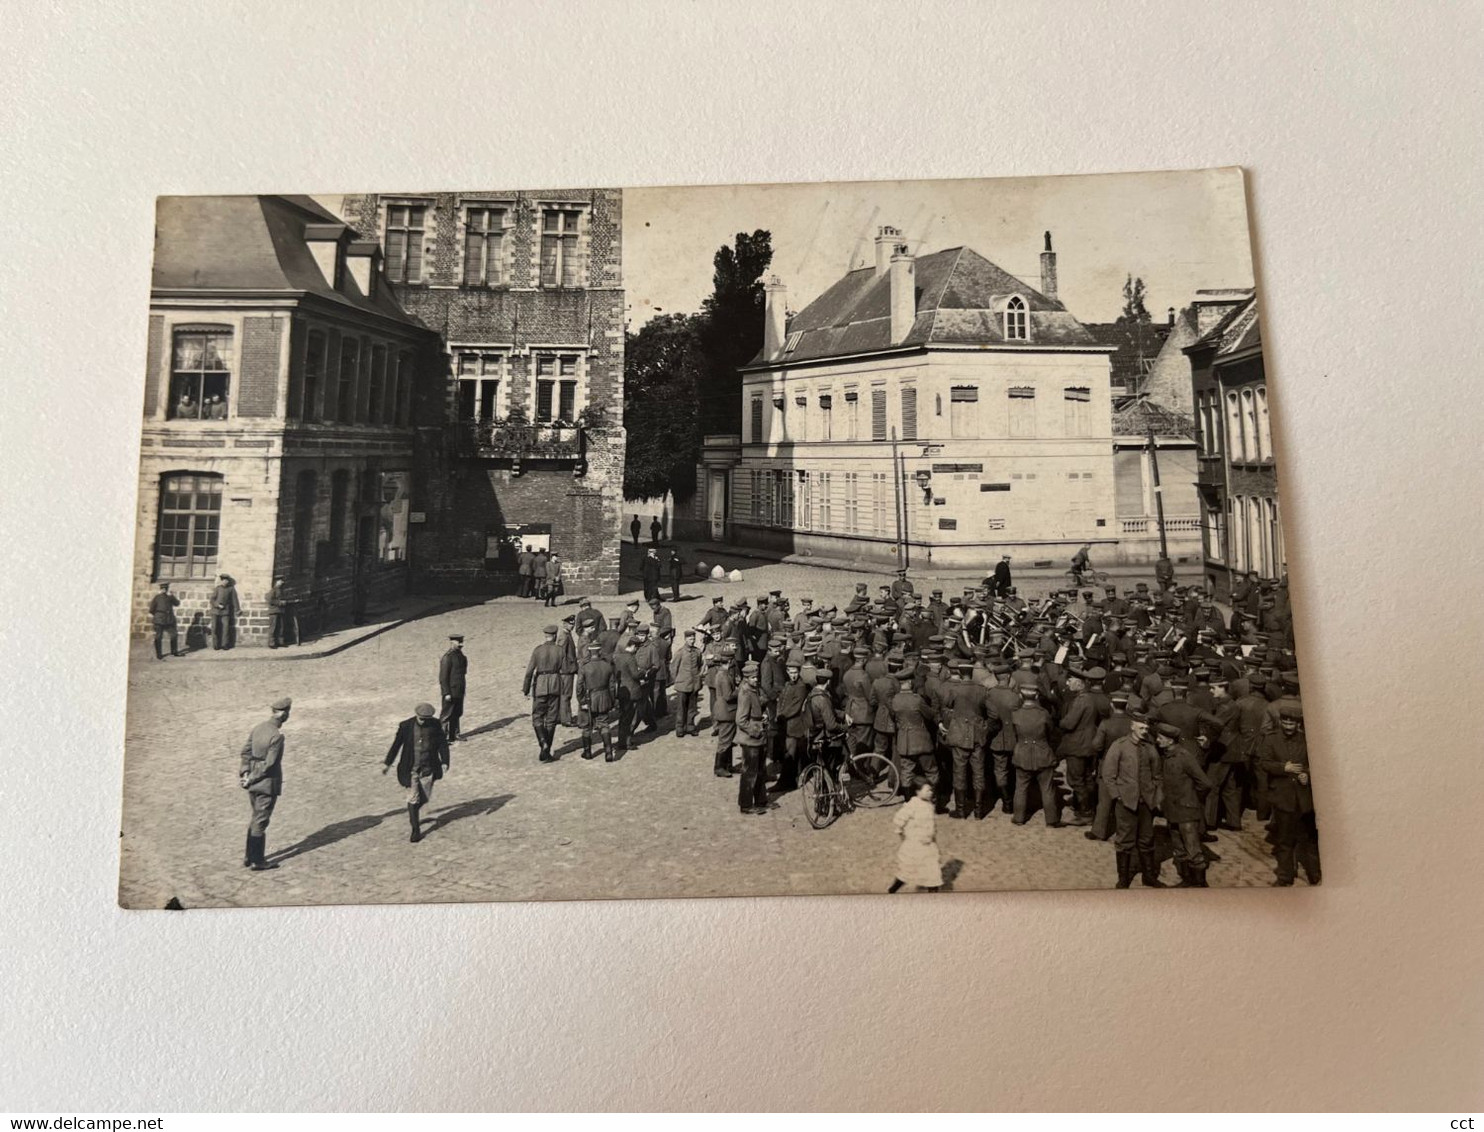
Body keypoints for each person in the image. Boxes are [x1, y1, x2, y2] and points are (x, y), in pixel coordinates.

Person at [1258, 704, 1320, 886]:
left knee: (1309, 840)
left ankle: (1314, 874)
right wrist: (1283, 768)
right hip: (1283, 798)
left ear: (1298, 724)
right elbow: (1264, 762)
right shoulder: (1271, 739)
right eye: (1285, 722)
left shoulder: (1306, 740)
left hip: (1304, 799)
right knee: (1285, 840)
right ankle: (1285, 876)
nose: (1287, 726)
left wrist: (1306, 775)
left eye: (1291, 723)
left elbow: (1315, 763)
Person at [1105, 713, 1164, 888]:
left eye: (1146, 728)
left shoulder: (1150, 748)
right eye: (1141, 727)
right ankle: (1123, 878)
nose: (1144, 731)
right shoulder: (1119, 746)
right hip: (1126, 802)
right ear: (1132, 726)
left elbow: (1158, 775)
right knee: (1124, 841)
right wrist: (1118, 796)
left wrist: (1157, 797)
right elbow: (1108, 775)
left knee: (1146, 840)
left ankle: (1149, 876)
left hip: (1146, 802)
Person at [382, 702, 450, 843]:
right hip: (410, 768)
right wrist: (388, 763)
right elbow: (396, 745)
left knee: (424, 797)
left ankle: (414, 812)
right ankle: (415, 829)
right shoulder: (406, 726)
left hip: (428, 767)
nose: (424, 721)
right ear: (416, 715)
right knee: (413, 798)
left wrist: (445, 761)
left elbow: (442, 744)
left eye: (426, 719)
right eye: (421, 719)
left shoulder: (435, 725)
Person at [1155, 722, 1213, 886]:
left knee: (1193, 851)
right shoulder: (1167, 755)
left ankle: (1200, 884)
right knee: (1179, 849)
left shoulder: (1184, 756)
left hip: (1186, 812)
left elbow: (1205, 783)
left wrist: (1192, 799)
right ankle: (1187, 880)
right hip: (1173, 811)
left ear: (1170, 740)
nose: (1157, 741)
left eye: (1160, 738)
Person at [238, 696, 291, 871]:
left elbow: (245, 752)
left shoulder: (258, 728)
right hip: (266, 784)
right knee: (261, 821)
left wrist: (245, 773)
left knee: (255, 818)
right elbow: (269, 764)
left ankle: (248, 856)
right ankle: (257, 861)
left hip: (251, 783)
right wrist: (252, 776)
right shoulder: (276, 736)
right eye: (287, 712)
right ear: (282, 714)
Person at [1010, 685, 1062, 827]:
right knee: (1047, 789)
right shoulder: (1044, 714)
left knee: (1020, 787)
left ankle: (1018, 817)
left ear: (1021, 696)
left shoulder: (1016, 714)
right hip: (1043, 752)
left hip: (1022, 753)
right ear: (1037, 696)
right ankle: (1051, 819)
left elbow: (1014, 734)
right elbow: (1051, 732)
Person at [888, 782, 943, 893]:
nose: (930, 793)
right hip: (914, 846)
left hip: (928, 846)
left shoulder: (929, 805)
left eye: (931, 790)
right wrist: (901, 833)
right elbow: (899, 819)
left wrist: (934, 841)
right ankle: (892, 890)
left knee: (933, 873)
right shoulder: (912, 805)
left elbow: (932, 827)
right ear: (918, 792)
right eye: (927, 790)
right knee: (907, 871)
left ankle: (934, 899)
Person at [523, 624, 565, 762]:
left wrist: (526, 689)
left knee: (537, 717)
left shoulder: (538, 650)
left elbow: (529, 671)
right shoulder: (560, 650)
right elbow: (564, 669)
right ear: (555, 636)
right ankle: (546, 750)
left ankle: (543, 743)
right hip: (555, 685)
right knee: (551, 719)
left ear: (546, 636)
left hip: (540, 685)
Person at [576, 642, 619, 761]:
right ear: (600, 652)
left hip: (589, 698)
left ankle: (587, 752)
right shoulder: (607, 666)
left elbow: (579, 686)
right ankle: (608, 752)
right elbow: (612, 686)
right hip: (604, 697)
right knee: (604, 724)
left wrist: (581, 700)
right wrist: (612, 700)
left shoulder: (584, 667)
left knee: (587, 726)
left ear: (589, 653)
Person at [736, 661, 769, 814]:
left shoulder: (754, 690)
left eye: (757, 677)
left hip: (759, 736)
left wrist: (763, 716)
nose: (756, 680)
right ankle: (746, 805)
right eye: (753, 678)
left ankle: (761, 801)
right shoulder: (745, 694)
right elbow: (741, 720)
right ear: (746, 678)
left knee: (760, 770)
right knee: (749, 773)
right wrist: (755, 730)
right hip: (751, 739)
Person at [670, 629, 705, 737]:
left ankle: (690, 726)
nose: (692, 641)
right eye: (690, 639)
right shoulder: (680, 652)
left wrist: (698, 678)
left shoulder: (697, 652)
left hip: (694, 684)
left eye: (693, 639)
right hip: (682, 685)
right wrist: (678, 680)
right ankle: (680, 728)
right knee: (681, 708)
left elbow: (699, 665)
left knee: (692, 707)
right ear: (685, 639)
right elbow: (673, 668)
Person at [711, 645, 739, 777]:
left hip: (725, 711)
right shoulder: (724, 676)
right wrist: (739, 690)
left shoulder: (722, 674)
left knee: (728, 740)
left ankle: (728, 765)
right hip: (726, 712)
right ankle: (719, 767)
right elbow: (728, 696)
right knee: (725, 740)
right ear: (730, 661)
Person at [613, 636, 643, 754]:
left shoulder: (618, 657)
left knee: (622, 717)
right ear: (634, 646)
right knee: (632, 717)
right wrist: (643, 672)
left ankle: (621, 742)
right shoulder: (630, 658)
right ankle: (628, 741)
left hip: (622, 690)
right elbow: (635, 675)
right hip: (632, 691)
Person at [438, 634, 467, 742]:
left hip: (459, 690)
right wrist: (446, 693)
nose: (460, 645)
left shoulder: (461, 656)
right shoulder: (447, 657)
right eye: (458, 643)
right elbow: (443, 677)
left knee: (457, 713)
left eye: (461, 643)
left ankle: (454, 734)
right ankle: (442, 737)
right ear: (452, 643)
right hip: (450, 691)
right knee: (446, 715)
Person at [148, 581, 181, 660]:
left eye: (165, 589)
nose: (164, 590)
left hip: (168, 620)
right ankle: (159, 654)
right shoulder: (157, 597)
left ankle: (174, 651)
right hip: (159, 619)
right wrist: (157, 615)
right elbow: (151, 609)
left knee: (174, 634)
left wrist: (172, 596)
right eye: (163, 589)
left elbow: (177, 603)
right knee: (158, 636)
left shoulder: (170, 597)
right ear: (161, 589)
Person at [210, 573, 240, 650]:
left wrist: (237, 609)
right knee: (215, 628)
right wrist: (217, 605)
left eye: (226, 581)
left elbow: (234, 600)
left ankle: (224, 644)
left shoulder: (231, 589)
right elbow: (212, 600)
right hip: (215, 611)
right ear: (221, 581)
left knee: (225, 628)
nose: (225, 582)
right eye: (224, 580)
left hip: (225, 612)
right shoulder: (217, 589)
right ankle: (216, 645)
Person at [266, 576, 288, 649]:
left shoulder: (281, 590)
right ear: (276, 582)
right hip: (274, 611)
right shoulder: (273, 590)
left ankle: (280, 642)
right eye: (280, 581)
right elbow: (270, 600)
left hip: (281, 611)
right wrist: (280, 603)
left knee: (281, 627)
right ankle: (271, 643)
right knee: (273, 627)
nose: (282, 582)